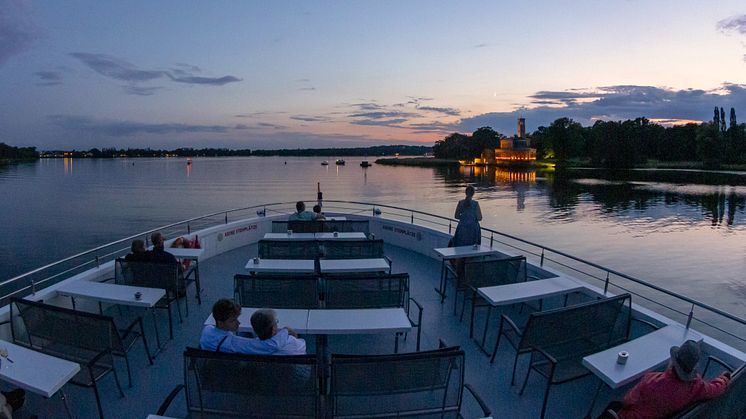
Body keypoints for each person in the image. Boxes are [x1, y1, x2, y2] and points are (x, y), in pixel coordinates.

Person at [609, 340, 731, 419]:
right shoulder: (696, 387)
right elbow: (716, 389)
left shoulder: (651, 380)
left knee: (613, 407)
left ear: (673, 362)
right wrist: (724, 378)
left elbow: (627, 401)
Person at [200, 299, 306, 355]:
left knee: (245, 334)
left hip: (217, 367)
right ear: (220, 322)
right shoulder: (233, 343)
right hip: (230, 372)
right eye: (233, 321)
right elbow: (271, 345)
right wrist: (285, 331)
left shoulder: (207, 330)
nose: (238, 323)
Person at [450, 185, 483, 276]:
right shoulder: (475, 204)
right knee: (471, 249)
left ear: (465, 193)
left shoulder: (460, 203)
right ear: (473, 194)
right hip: (473, 229)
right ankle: (469, 274)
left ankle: (459, 272)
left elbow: (456, 216)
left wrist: (464, 217)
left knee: (460, 250)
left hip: (462, 229)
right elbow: (480, 218)